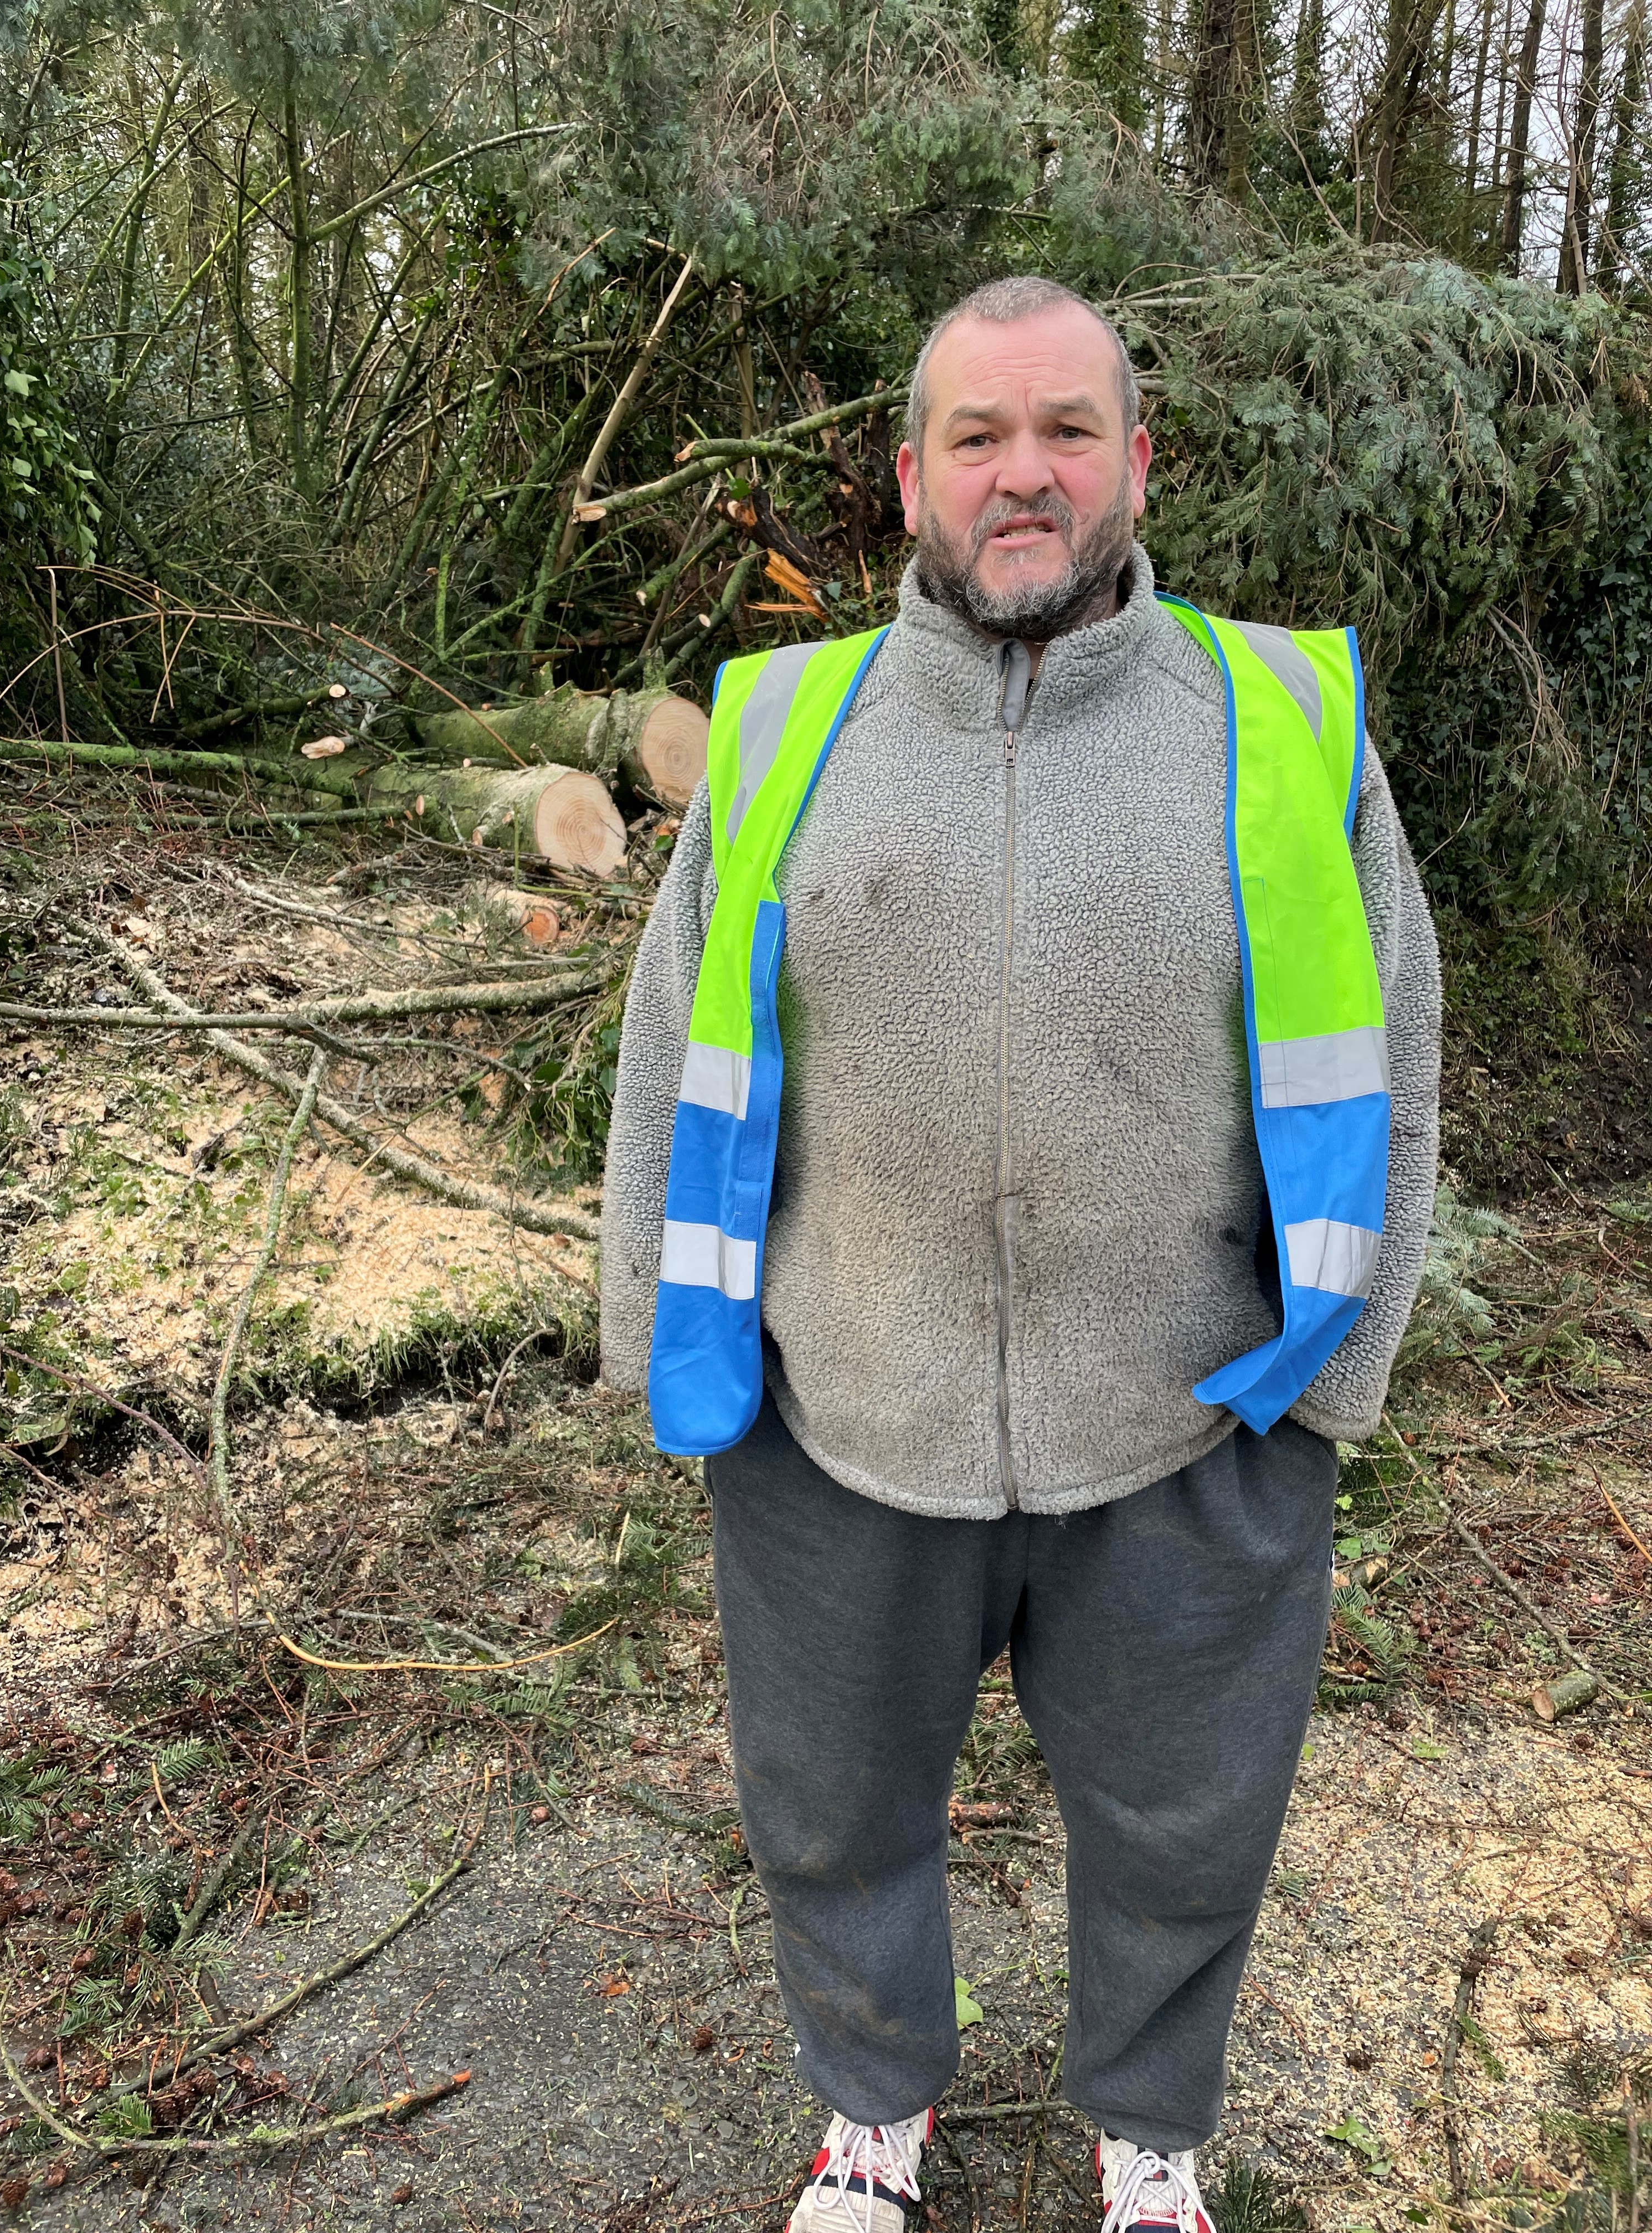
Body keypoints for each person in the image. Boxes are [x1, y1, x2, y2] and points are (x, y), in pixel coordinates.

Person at [600, 275, 1441, 2233]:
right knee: (832, 1813)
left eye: (1069, 430)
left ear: (1139, 460)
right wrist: (661, 1335)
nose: (1026, 474)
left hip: (1193, 1420)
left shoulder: (1284, 724)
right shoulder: (789, 726)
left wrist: (1338, 1383)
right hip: (836, 1409)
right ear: (910, 477)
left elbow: (1391, 1051)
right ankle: (871, 2114)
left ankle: (1150, 2141)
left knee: (1185, 1831)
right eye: (978, 438)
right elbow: (675, 1047)